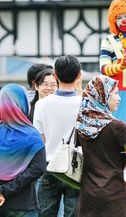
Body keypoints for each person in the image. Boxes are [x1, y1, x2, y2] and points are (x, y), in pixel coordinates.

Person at [74, 75, 126, 217]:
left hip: (88, 194)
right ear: (102, 96)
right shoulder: (118, 127)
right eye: (115, 93)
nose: (119, 98)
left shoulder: (82, 124)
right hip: (115, 195)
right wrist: (123, 159)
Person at [33, 55, 82, 217]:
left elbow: (40, 140)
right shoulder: (85, 104)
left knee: (46, 214)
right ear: (79, 76)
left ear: (55, 75)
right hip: (77, 167)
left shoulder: (41, 105)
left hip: (49, 166)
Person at [0, 84, 46, 217]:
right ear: (23, 104)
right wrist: (5, 190)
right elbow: (38, 168)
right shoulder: (32, 135)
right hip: (23, 205)